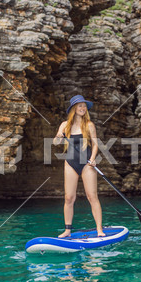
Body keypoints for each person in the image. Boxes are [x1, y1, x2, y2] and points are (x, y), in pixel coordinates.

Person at [53, 95, 106, 238]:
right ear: (74, 109)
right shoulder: (65, 125)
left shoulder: (89, 125)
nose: (83, 108)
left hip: (87, 163)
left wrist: (93, 159)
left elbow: (95, 144)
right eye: (80, 106)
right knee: (69, 198)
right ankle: (67, 230)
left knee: (92, 196)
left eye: (84, 106)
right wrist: (59, 135)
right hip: (70, 163)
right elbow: (56, 142)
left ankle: (99, 229)